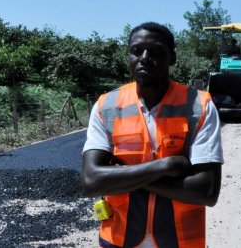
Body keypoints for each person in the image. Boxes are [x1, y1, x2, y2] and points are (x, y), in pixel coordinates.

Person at [82, 22, 223, 248]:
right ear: (128, 56)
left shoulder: (199, 106)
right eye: (137, 51)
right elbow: (92, 182)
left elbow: (205, 191)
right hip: (118, 240)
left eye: (156, 51)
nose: (145, 57)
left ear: (172, 57)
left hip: (180, 241)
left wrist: (120, 176)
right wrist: (166, 166)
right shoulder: (106, 106)